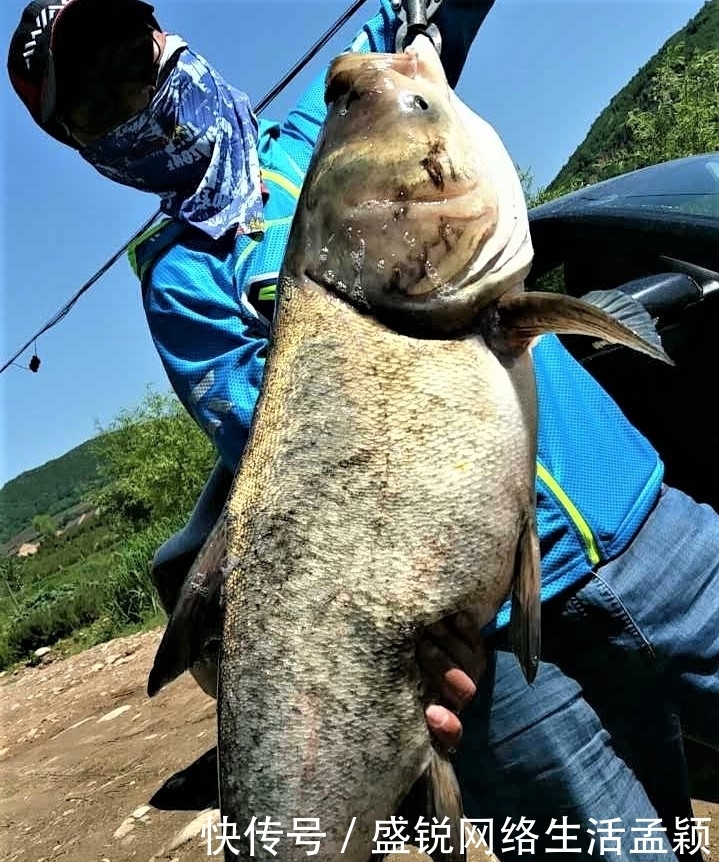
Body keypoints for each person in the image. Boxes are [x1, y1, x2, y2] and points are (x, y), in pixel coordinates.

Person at [8, 1, 719, 859]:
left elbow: (428, 12)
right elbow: (297, 484)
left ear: (166, 37)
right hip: (484, 651)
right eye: (98, 98)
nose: (136, 83)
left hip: (648, 530)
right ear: (87, 147)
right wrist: (383, 648)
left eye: (130, 49)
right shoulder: (181, 279)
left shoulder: (338, 121)